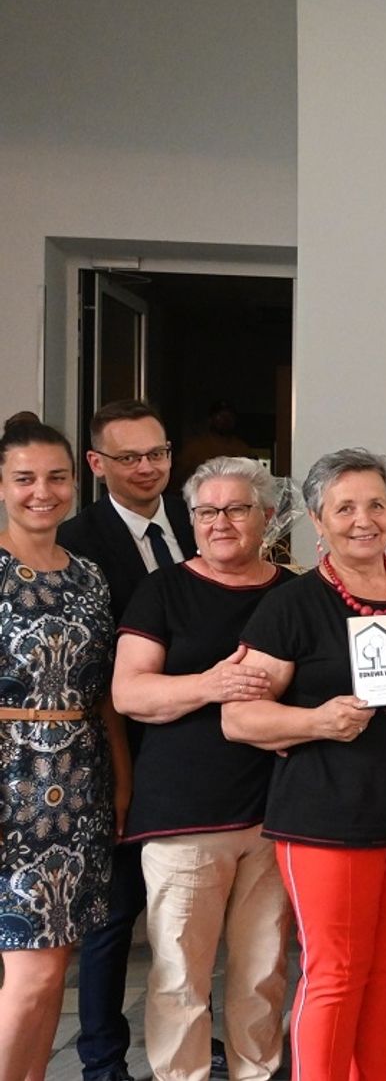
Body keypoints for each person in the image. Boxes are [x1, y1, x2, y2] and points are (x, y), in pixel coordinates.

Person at [224, 448, 386, 1081]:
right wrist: (315, 721)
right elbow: (238, 718)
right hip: (327, 821)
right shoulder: (293, 605)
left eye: (376, 505)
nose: (364, 520)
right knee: (335, 974)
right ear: (317, 519)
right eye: (345, 508)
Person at [112, 457, 297, 1081]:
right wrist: (210, 684)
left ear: (265, 516)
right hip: (184, 819)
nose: (221, 522)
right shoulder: (162, 590)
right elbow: (129, 693)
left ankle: (256, 1073)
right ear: (191, 520)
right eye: (206, 511)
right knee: (179, 976)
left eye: (236, 509)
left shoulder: (293, 592)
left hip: (274, 815)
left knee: (262, 973)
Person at [57, 398, 199, 1081]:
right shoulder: (76, 542)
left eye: (158, 453)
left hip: (200, 747)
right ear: (96, 463)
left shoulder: (198, 521)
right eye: (130, 457)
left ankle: (192, 1043)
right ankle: (102, 1058)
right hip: (118, 749)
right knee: (114, 916)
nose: (148, 467)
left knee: (190, 915)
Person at [0, 418, 125, 1081]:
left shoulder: (90, 577)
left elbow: (104, 693)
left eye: (56, 477)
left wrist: (121, 784)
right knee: (30, 974)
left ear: (76, 481)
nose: (41, 491)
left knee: (53, 971)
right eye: (25, 478)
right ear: (2, 485)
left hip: (80, 790)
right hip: (11, 789)